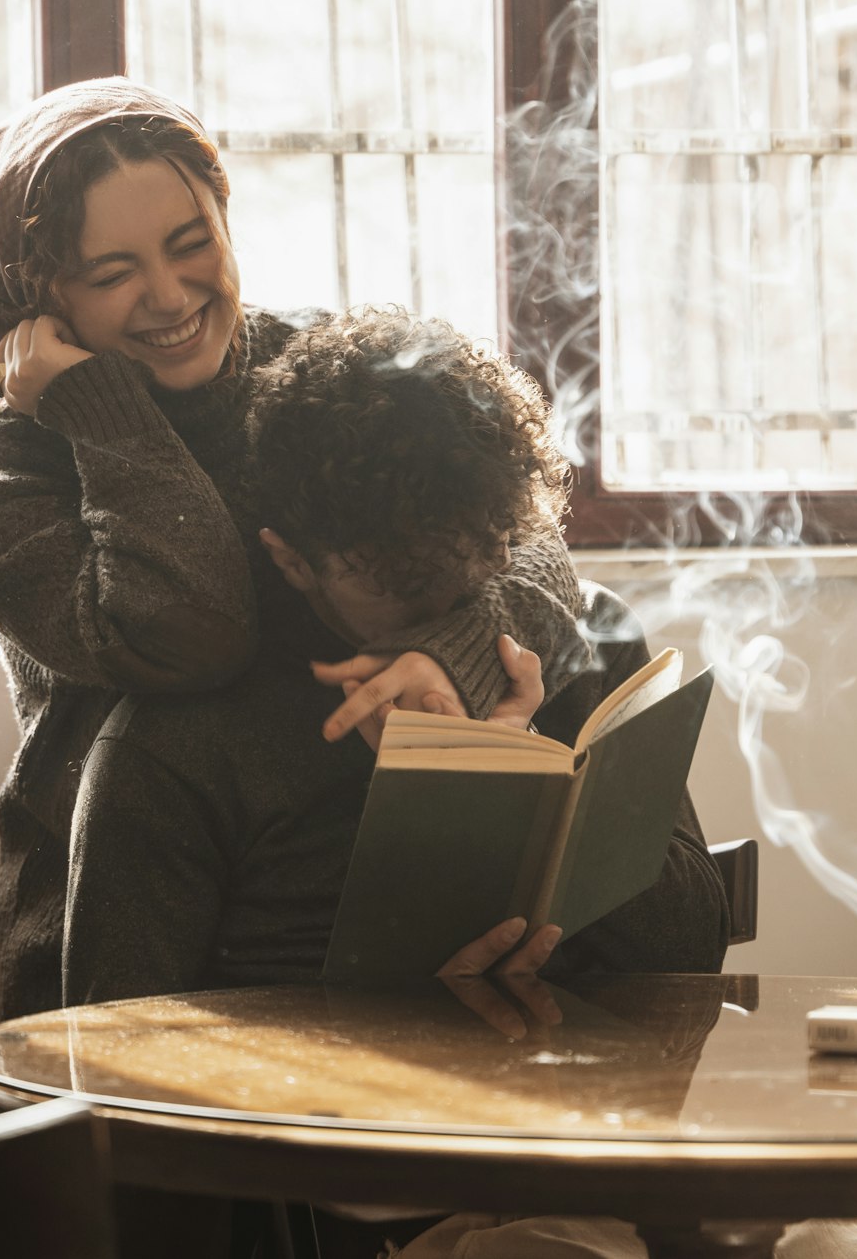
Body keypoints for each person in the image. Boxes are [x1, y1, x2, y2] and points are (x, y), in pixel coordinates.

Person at [0, 78, 594, 1021]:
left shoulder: (317, 366)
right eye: (110, 273)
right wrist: (102, 412)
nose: (168, 295)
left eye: (190, 241)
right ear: (38, 299)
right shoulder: (5, 490)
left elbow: (524, 533)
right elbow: (194, 633)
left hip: (366, 891)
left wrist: (445, 657)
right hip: (140, 946)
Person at [62, 307, 729, 1008]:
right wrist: (399, 1011)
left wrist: (526, 781)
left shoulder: (579, 636)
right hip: (305, 1109)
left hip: (577, 1099)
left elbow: (690, 948)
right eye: (401, 589)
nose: (452, 611)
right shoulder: (186, 737)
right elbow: (112, 1047)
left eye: (483, 560)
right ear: (292, 562)